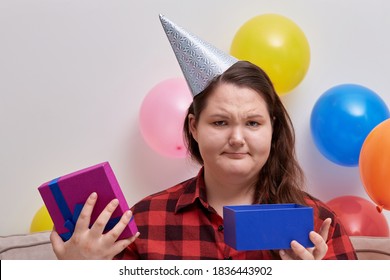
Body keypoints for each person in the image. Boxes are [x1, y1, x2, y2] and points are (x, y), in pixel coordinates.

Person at [50, 16, 357, 260]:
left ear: (272, 129)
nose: (237, 138)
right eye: (220, 122)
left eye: (252, 123)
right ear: (195, 128)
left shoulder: (320, 224)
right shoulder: (142, 223)